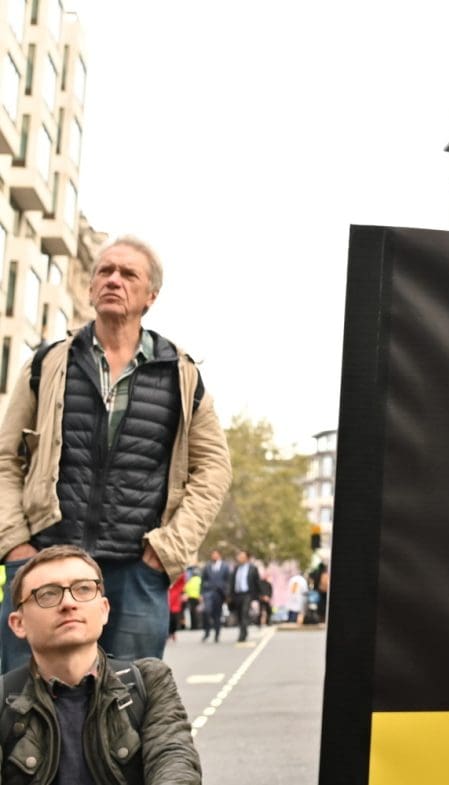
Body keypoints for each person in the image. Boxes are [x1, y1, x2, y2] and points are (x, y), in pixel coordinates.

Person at [0, 236, 232, 669]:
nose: (113, 280)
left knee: (129, 705)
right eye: (105, 271)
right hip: (45, 561)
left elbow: (214, 469)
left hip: (136, 570)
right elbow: (4, 457)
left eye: (128, 274)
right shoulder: (47, 363)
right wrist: (15, 544)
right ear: (90, 289)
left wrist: (167, 550)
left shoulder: (180, 375)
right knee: (24, 707)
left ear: (150, 296)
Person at [1, 544, 199, 783]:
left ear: (104, 610)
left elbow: (174, 760)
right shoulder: (3, 699)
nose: (68, 603)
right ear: (18, 623)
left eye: (83, 589)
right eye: (47, 594)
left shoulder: (149, 681)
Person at [200, 549, 230, 643]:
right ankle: (207, 632)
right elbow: (202, 580)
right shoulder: (207, 566)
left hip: (219, 593)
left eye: (216, 554)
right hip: (208, 592)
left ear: (219, 555)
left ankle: (217, 634)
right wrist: (201, 594)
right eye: (213, 554)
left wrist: (227, 594)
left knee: (217, 615)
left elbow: (228, 581)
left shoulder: (225, 567)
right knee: (207, 612)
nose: (214, 556)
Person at [230, 550, 260, 643]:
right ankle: (244, 631)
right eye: (239, 556)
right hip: (237, 594)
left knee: (244, 613)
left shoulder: (253, 568)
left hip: (247, 594)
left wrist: (259, 595)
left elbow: (257, 583)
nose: (240, 558)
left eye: (242, 556)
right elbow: (231, 583)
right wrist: (230, 595)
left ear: (247, 558)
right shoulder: (236, 568)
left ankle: (242, 635)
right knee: (239, 614)